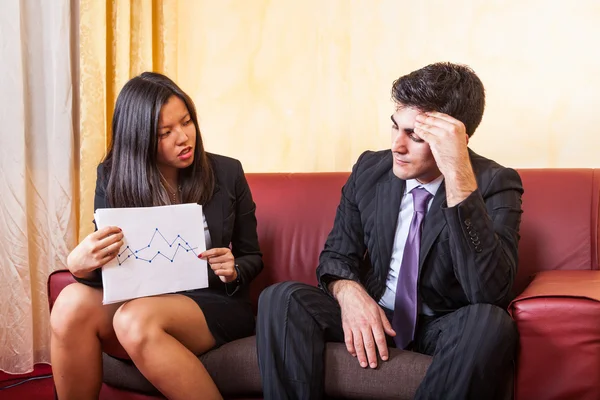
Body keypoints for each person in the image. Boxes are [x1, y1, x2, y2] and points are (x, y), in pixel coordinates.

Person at [256, 62, 523, 400]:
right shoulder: (371, 169)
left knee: (490, 323)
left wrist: (458, 175)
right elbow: (337, 255)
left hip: (440, 324)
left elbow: (490, 293)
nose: (398, 145)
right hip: (375, 314)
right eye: (395, 128)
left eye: (415, 135)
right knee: (282, 297)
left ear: (455, 138)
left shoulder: (495, 183)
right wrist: (349, 293)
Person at [50, 72, 263, 400]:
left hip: (213, 301)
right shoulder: (112, 177)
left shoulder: (227, 171)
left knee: (134, 319)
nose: (184, 137)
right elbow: (111, 274)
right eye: (166, 132)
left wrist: (235, 268)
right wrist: (80, 266)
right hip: (140, 297)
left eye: (187, 121)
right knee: (68, 304)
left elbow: (253, 256)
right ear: (139, 138)